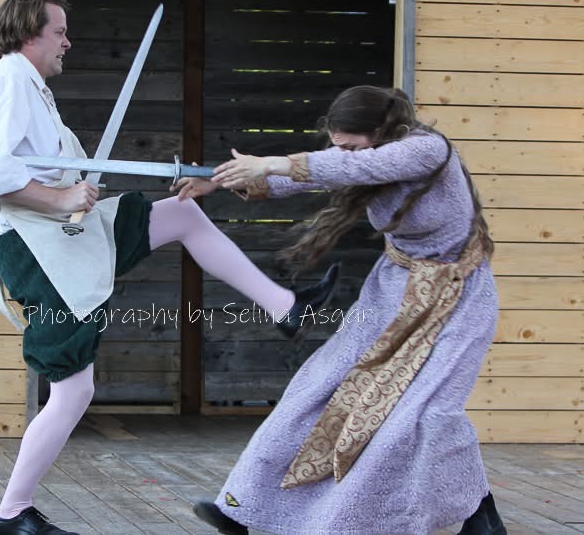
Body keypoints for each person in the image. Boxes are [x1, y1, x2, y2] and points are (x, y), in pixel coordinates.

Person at [0, 0, 338, 535]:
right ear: (30, 33)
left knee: (181, 215)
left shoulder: (31, 87)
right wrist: (58, 197)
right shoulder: (6, 82)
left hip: (67, 235)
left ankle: (285, 307)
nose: (67, 42)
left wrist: (67, 195)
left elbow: (23, 168)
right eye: (59, 32)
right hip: (39, 251)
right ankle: (11, 513)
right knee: (74, 390)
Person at [178, 85, 506, 535]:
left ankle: (478, 514)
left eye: (350, 145)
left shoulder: (426, 149)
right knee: (314, 389)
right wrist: (220, 180)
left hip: (459, 296)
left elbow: (354, 166)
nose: (343, 153)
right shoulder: (358, 157)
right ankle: (241, 508)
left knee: (428, 415)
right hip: (392, 292)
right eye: (339, 145)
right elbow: (318, 172)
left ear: (382, 130)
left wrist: (270, 162)